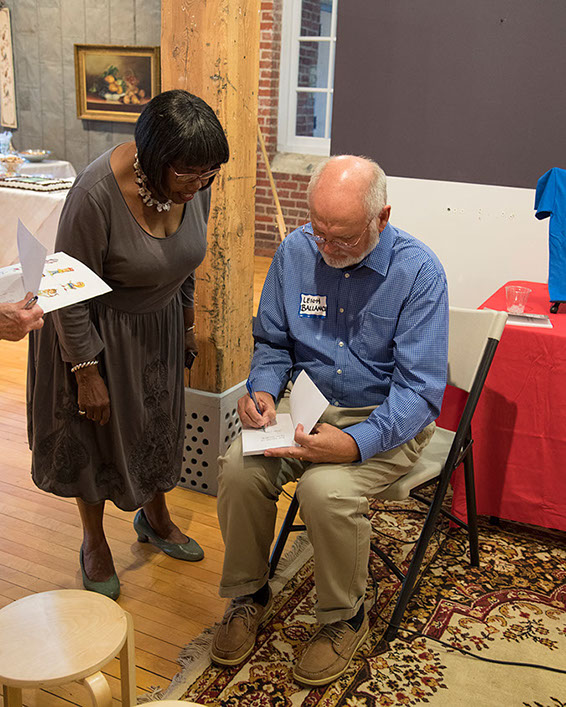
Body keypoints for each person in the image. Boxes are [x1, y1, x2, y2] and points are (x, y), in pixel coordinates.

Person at [211, 156, 449, 686]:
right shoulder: (295, 251)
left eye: (342, 237)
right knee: (238, 467)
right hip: (307, 404)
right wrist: (263, 391)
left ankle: (346, 617)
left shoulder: (419, 272)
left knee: (325, 491)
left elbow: (419, 392)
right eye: (318, 231)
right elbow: (273, 342)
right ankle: (248, 593)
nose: (327, 247)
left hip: (385, 417)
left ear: (382, 218)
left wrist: (356, 443)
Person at [27, 89, 229, 600]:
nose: (199, 185)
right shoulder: (94, 194)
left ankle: (155, 517)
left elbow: (185, 261)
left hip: (157, 325)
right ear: (154, 159)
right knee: (94, 439)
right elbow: (66, 290)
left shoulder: (193, 184)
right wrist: (85, 371)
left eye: (208, 175)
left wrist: (186, 325)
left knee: (158, 426)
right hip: (94, 332)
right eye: (189, 175)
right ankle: (93, 542)